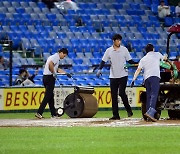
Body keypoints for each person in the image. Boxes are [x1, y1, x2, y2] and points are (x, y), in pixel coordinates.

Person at [96, 34, 137, 120]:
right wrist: (99, 69)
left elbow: (130, 60)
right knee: (113, 96)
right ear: (113, 41)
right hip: (113, 76)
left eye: (120, 40)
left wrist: (137, 64)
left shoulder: (124, 50)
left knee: (121, 93)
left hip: (123, 75)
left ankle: (128, 109)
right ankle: (116, 115)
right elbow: (103, 61)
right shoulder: (109, 51)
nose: (119, 42)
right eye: (117, 40)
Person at [130, 44, 167, 122]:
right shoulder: (157, 54)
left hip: (146, 78)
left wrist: (133, 80)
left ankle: (147, 115)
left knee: (148, 95)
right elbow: (164, 59)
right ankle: (151, 112)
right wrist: (165, 56)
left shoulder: (143, 59)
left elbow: (138, 70)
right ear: (153, 49)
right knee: (154, 94)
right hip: (155, 77)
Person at [35, 48, 70, 119]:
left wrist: (65, 73)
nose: (64, 57)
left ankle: (53, 114)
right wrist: (53, 73)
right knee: (48, 96)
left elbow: (56, 69)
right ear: (61, 53)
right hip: (49, 77)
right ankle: (39, 112)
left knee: (51, 96)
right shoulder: (55, 57)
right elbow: (50, 64)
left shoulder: (53, 57)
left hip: (46, 77)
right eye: (64, 55)